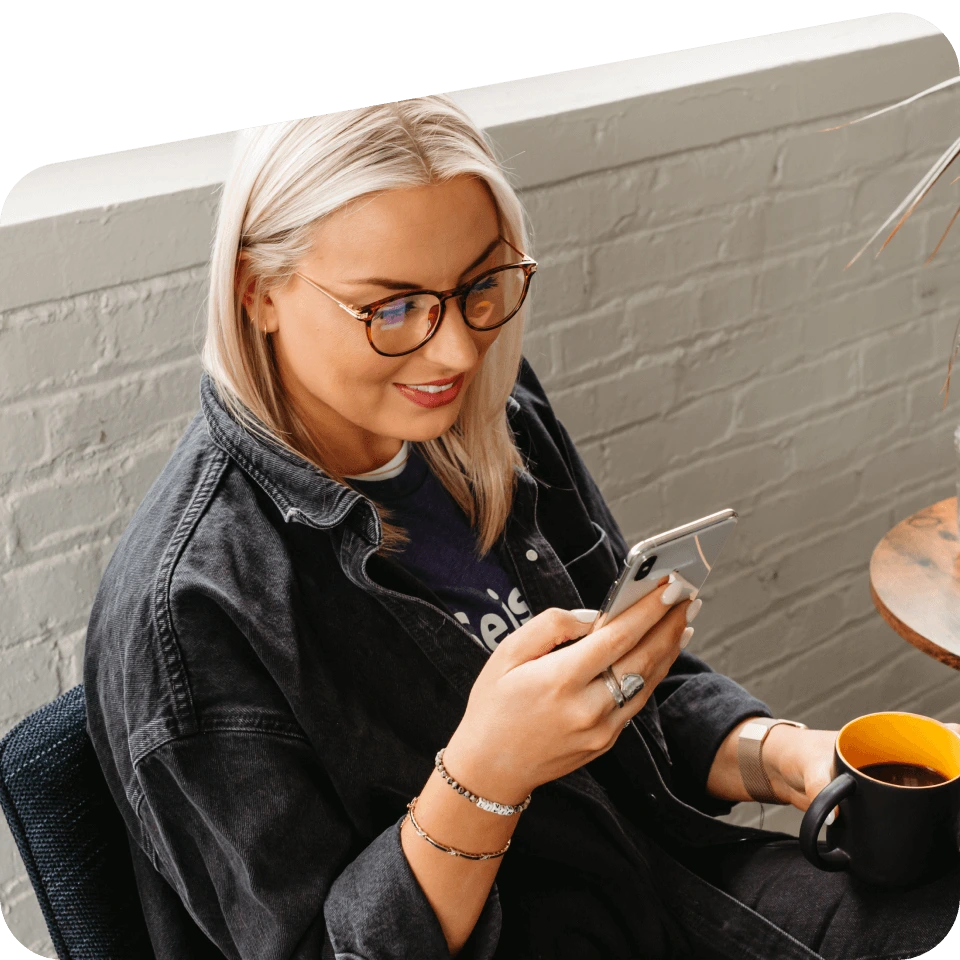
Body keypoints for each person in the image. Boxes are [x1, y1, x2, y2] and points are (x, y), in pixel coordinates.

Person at [83, 96, 960, 960]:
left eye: (481, 288)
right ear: (256, 291)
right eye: (391, 310)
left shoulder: (485, 418)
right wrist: (486, 774)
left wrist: (791, 760)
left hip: (670, 887)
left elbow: (631, 700)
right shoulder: (189, 615)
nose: (458, 352)